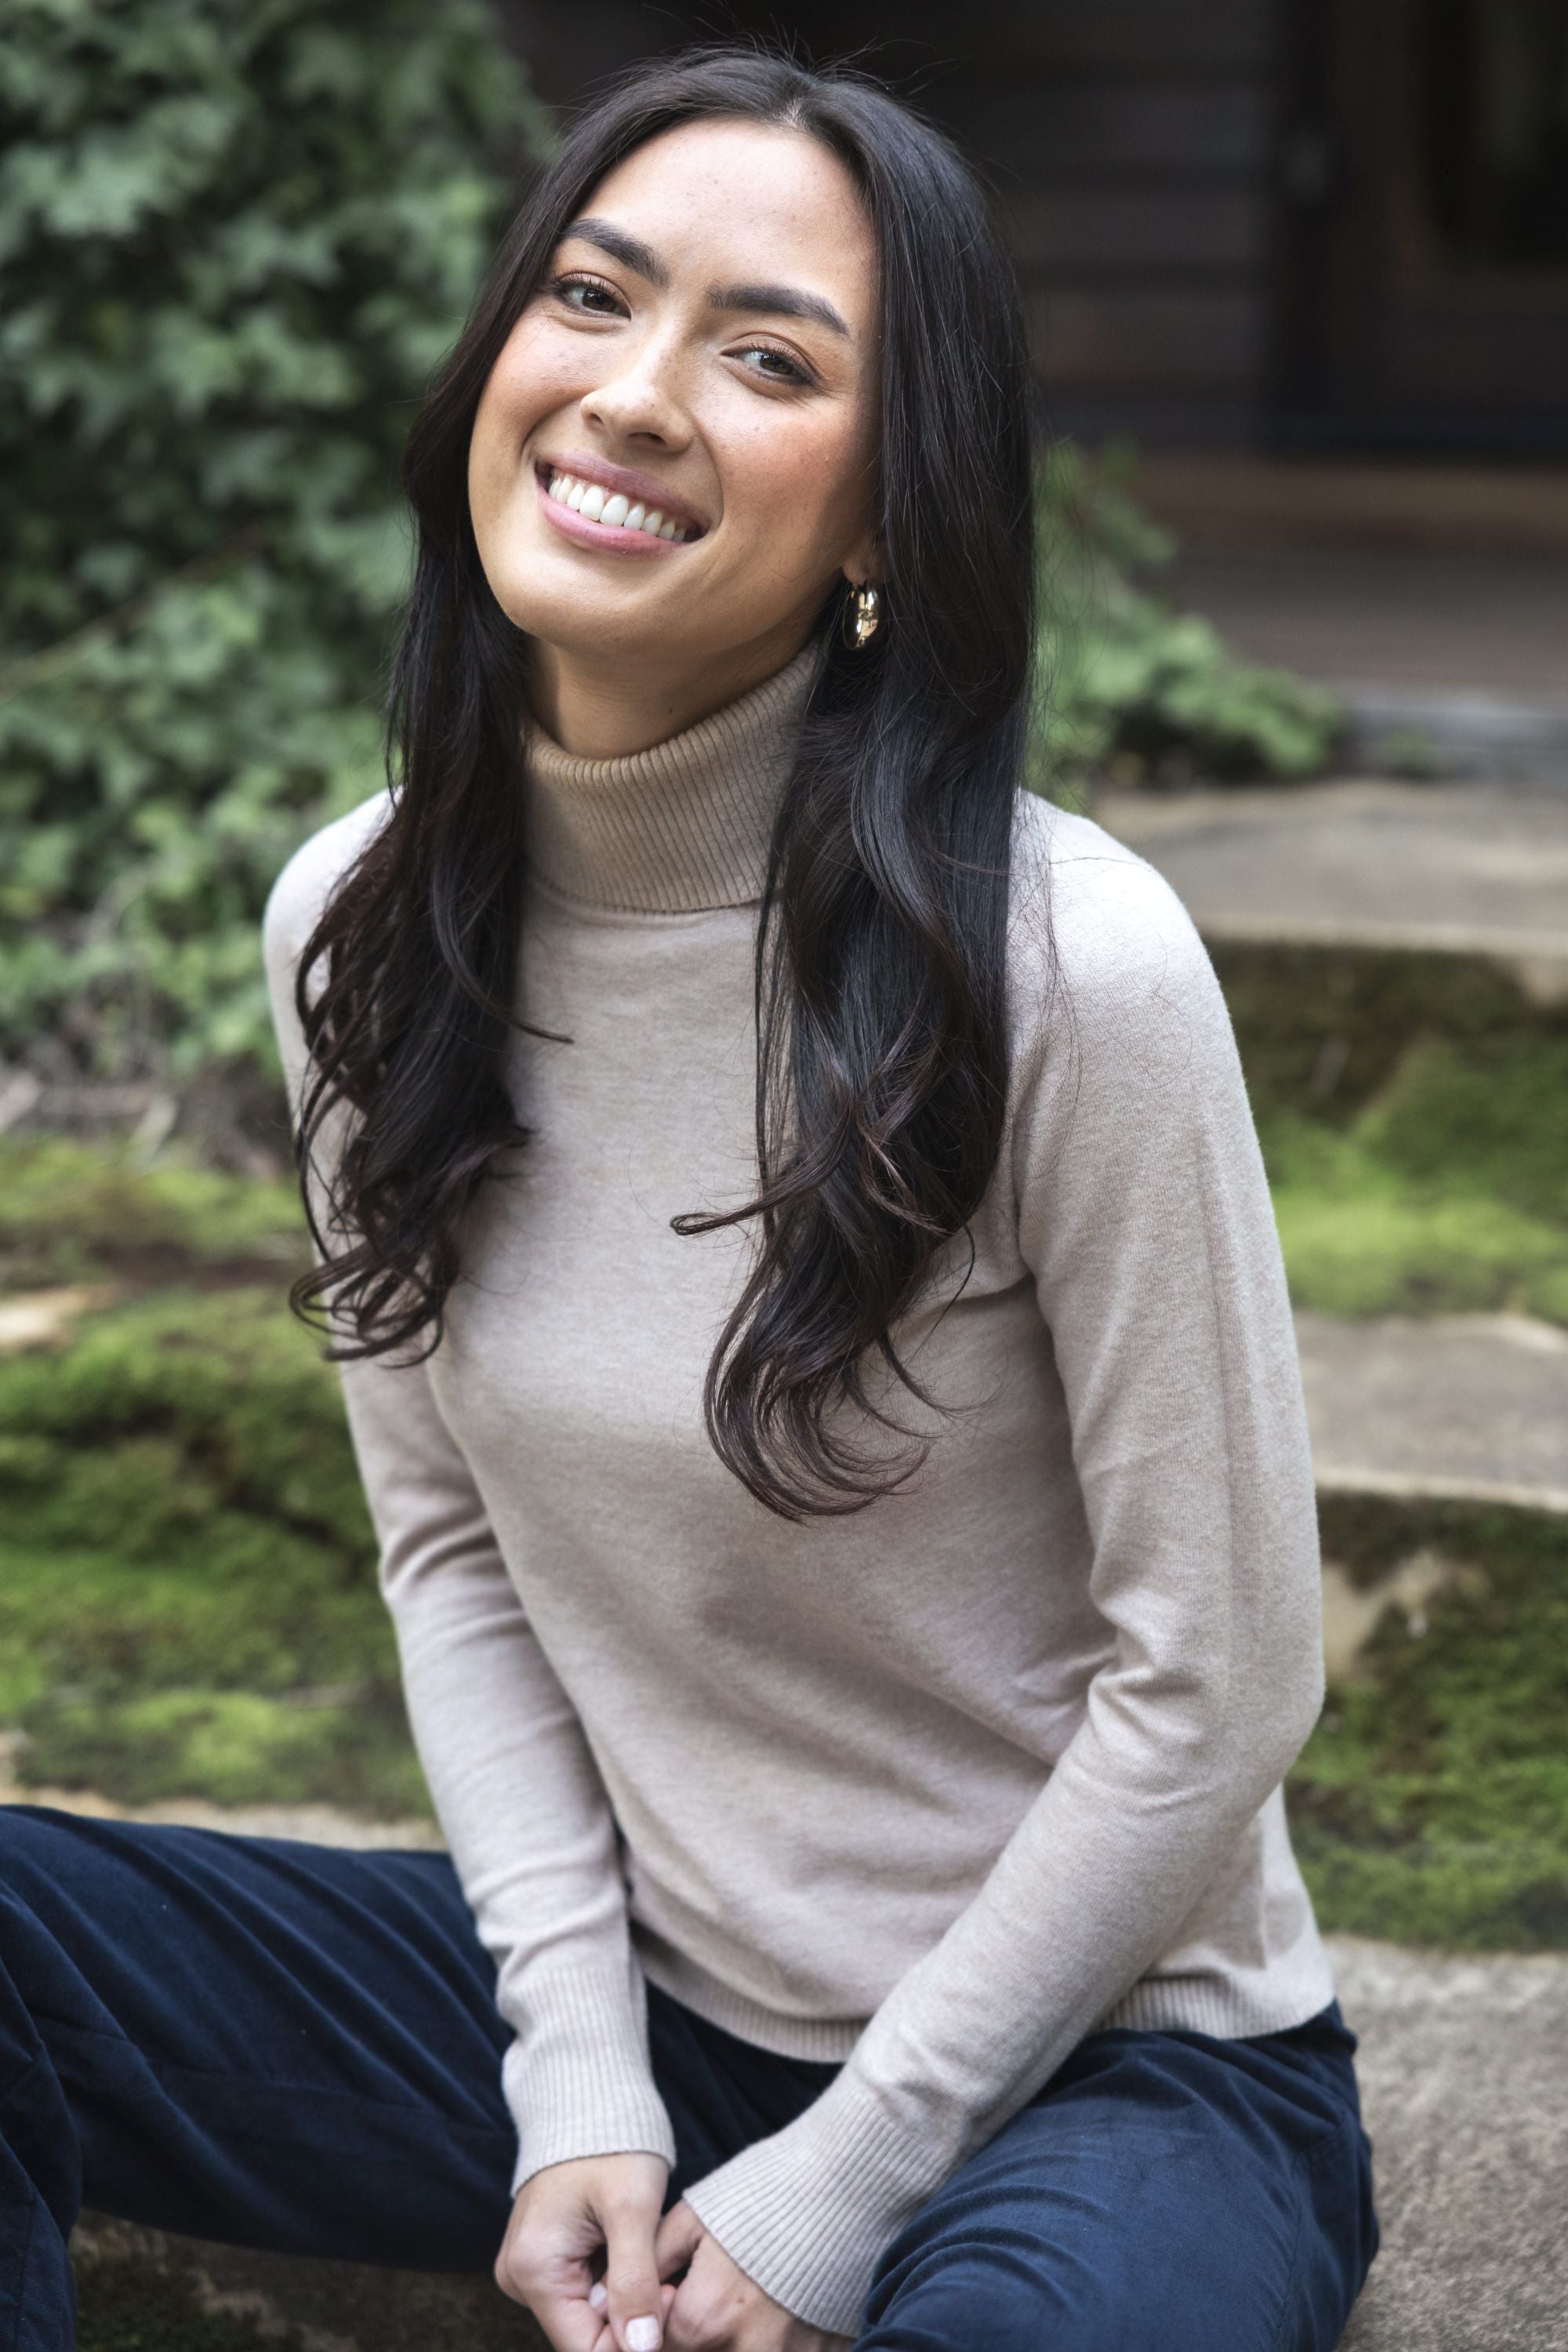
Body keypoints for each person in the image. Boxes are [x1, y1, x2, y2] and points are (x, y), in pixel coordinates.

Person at [0, 45, 1378, 2352]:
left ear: (880, 520)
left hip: (1112, 2072)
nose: (634, 395)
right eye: (591, 297)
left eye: (766, 357)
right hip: (644, 2014)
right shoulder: (360, 924)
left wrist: (837, 2186)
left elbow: (1218, 1682)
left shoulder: (1066, 966)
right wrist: (579, 2095)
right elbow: (450, 1548)